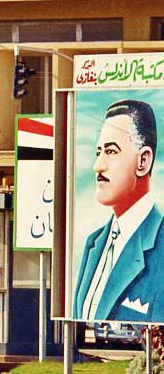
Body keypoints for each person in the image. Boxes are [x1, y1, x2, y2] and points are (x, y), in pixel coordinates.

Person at [73, 99, 164, 322]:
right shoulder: (94, 242)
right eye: (97, 152)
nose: (98, 165)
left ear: (143, 161)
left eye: (111, 151)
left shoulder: (160, 243)